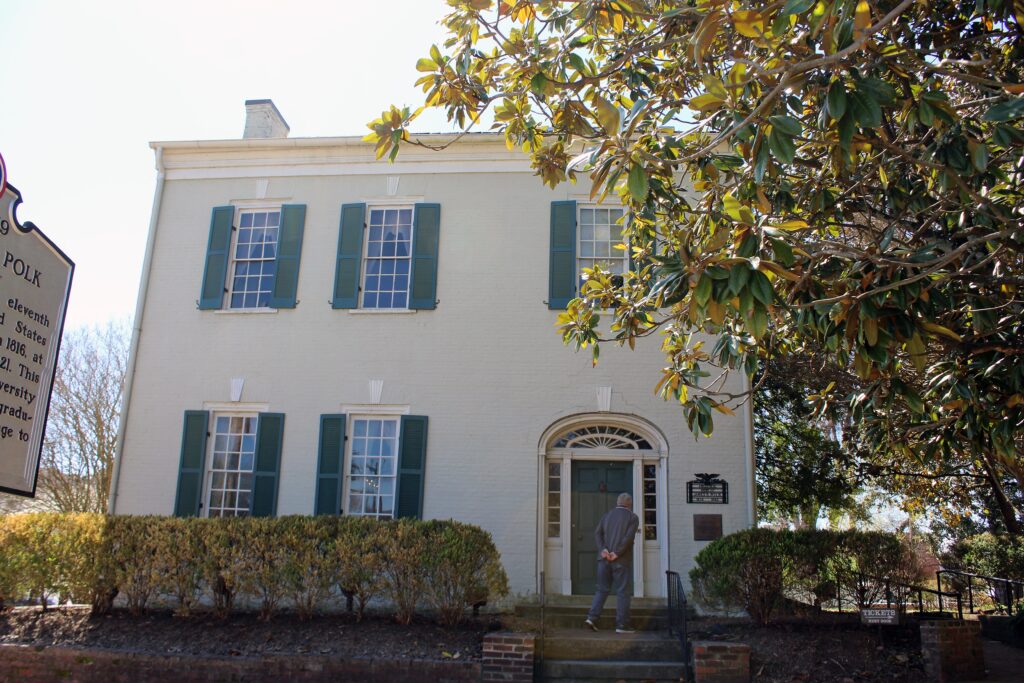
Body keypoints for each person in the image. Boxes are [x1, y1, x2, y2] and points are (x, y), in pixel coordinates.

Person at [585, 492, 640, 634]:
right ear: (630, 504)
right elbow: (628, 538)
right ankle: (622, 625)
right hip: (620, 560)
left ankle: (592, 618)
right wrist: (616, 553)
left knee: (602, 589)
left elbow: (597, 533)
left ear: (617, 502)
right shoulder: (633, 518)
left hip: (603, 560)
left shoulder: (607, 515)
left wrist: (603, 550)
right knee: (622, 592)